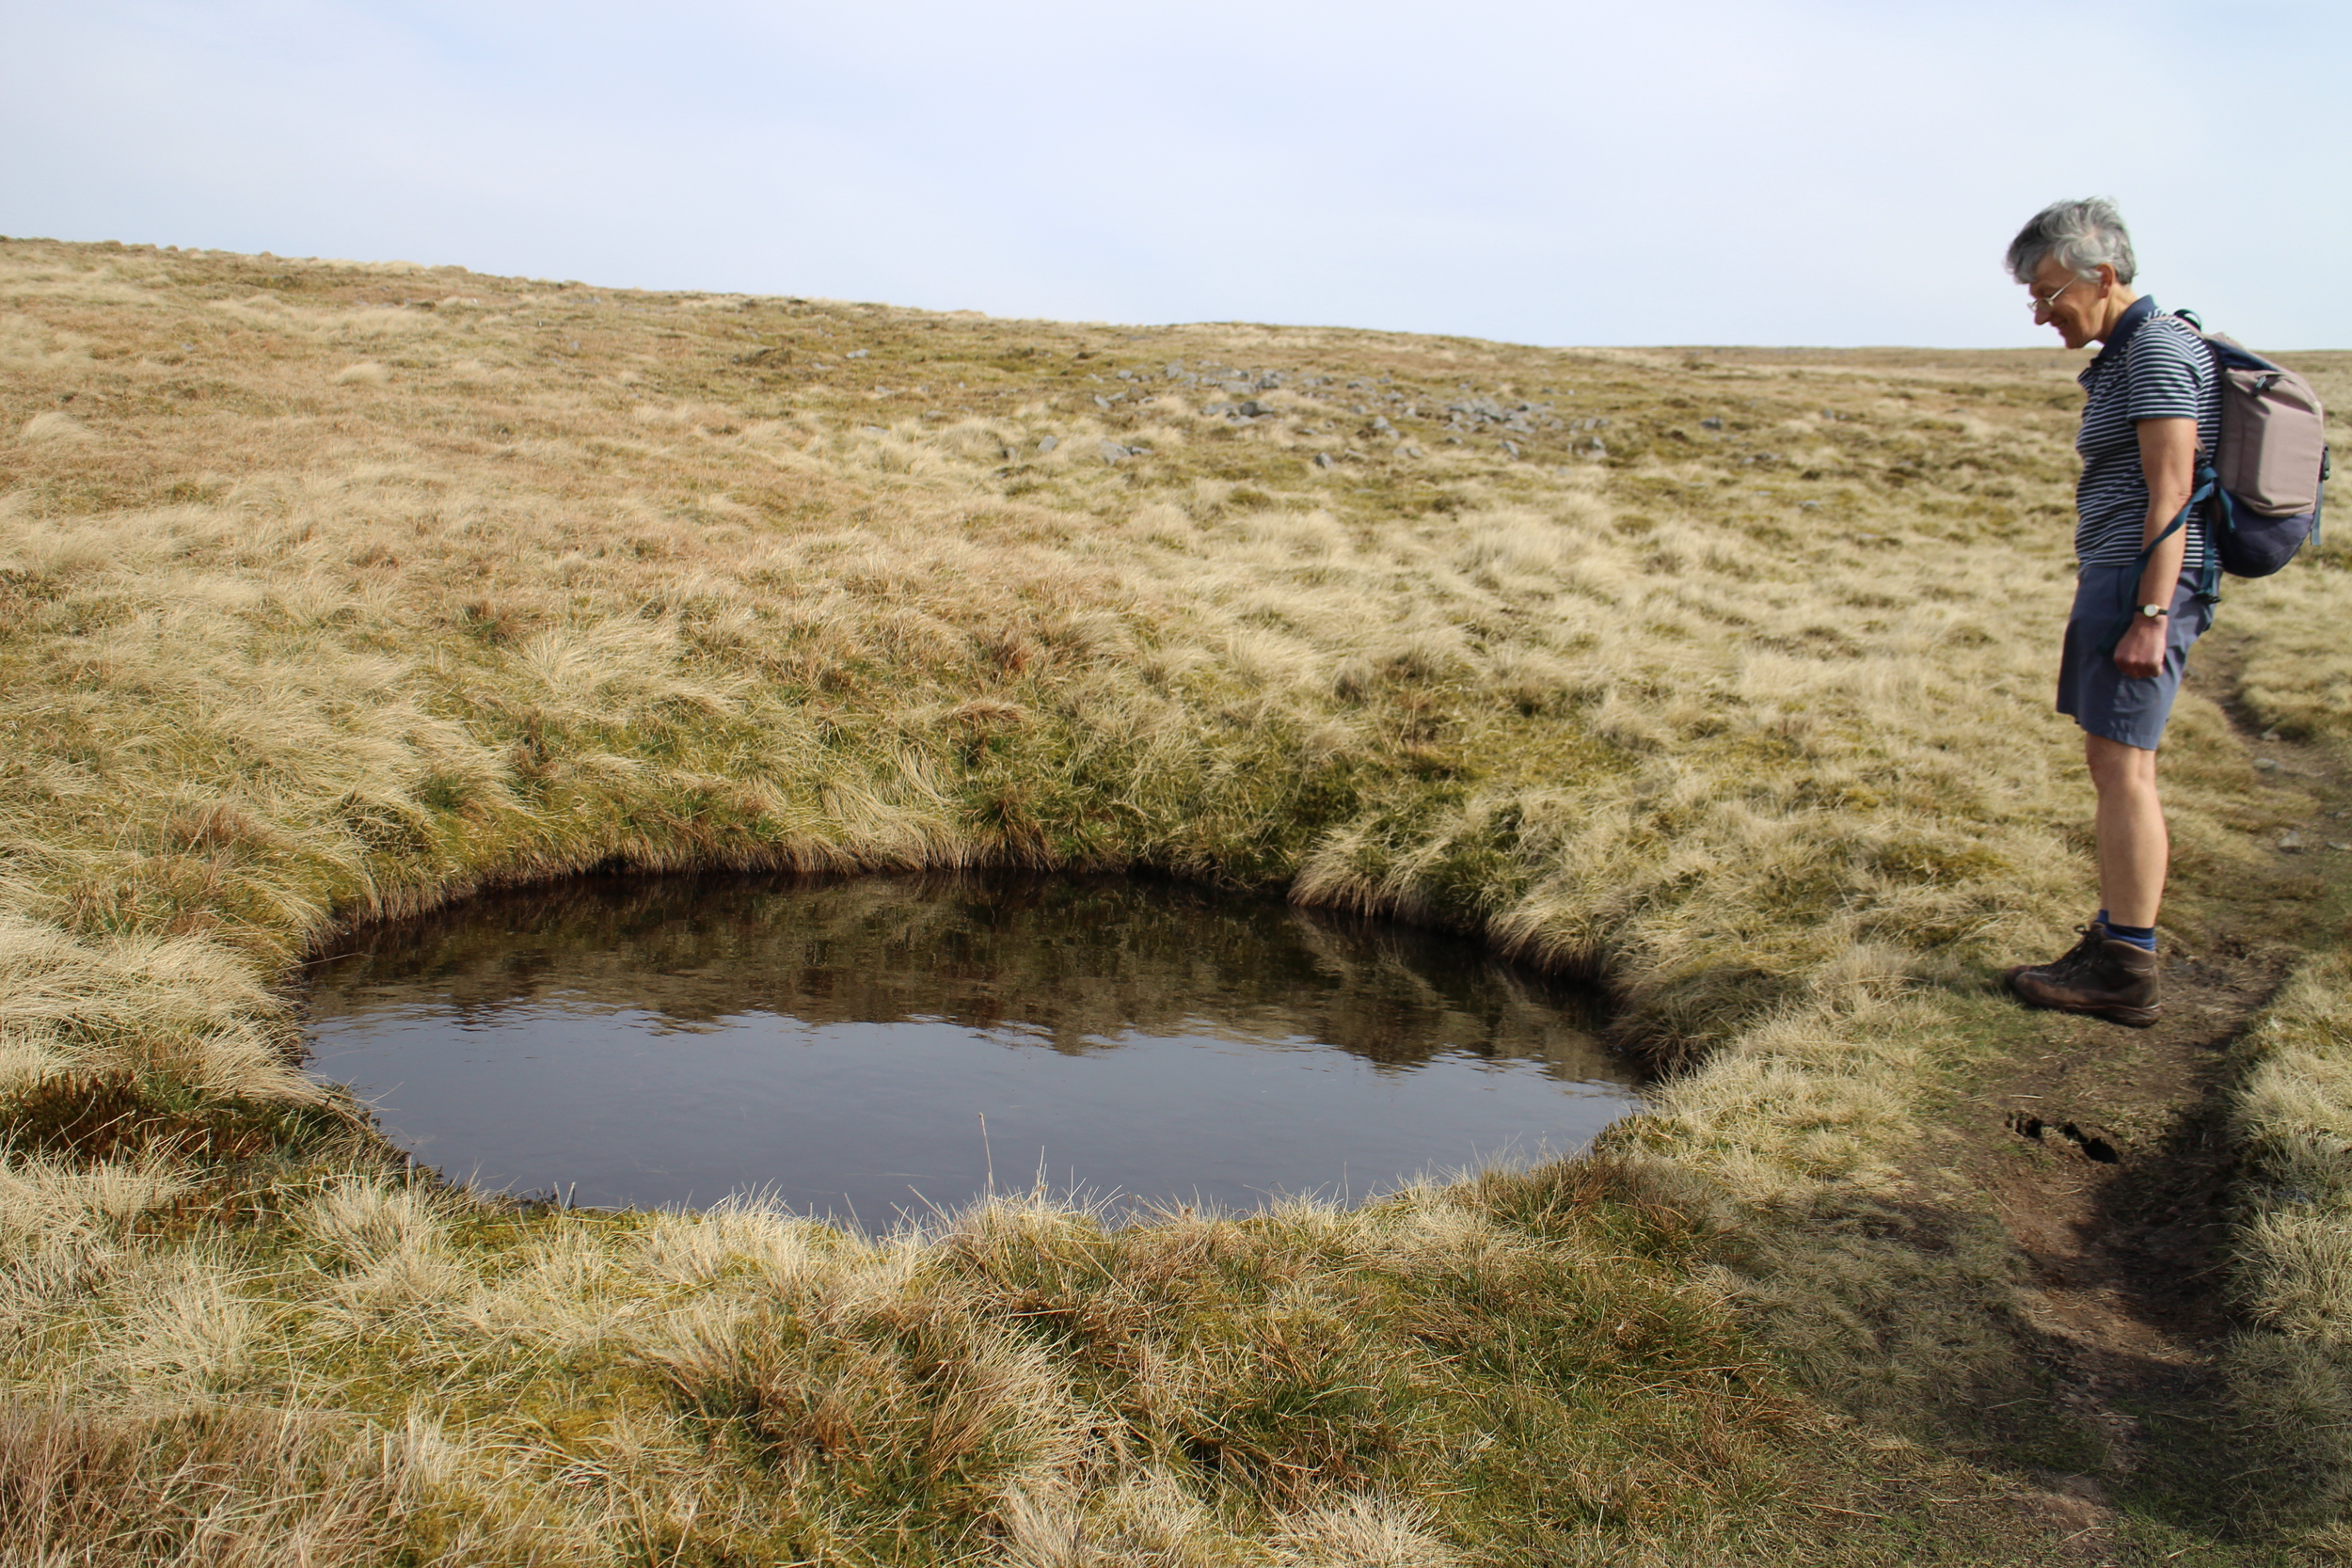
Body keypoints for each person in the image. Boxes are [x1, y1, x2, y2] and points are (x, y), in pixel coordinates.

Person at [2001, 197, 2218, 1028]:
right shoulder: (2133, 352)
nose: (2041, 312)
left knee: (2124, 769)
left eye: (2049, 293)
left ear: (2103, 274)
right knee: (2116, 765)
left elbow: (2174, 489)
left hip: (2143, 582)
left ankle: (2127, 968)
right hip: (2125, 578)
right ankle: (2113, 938)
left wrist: (2152, 612)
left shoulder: (2159, 350)